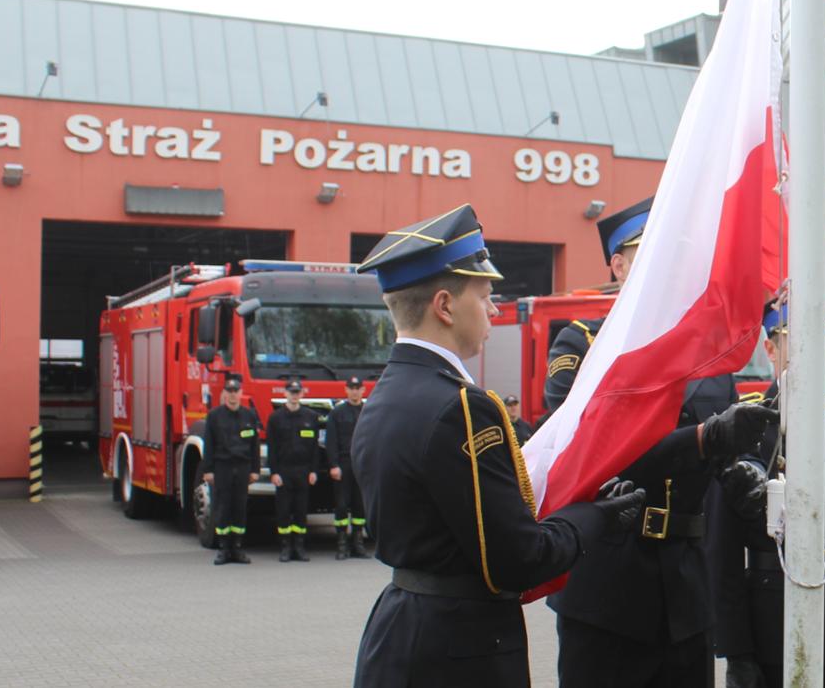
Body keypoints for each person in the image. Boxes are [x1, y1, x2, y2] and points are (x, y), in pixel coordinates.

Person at [350, 204, 676, 687]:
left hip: (401, 630)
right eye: (484, 297)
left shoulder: (385, 396)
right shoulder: (462, 406)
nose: (494, 309)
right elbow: (520, 559)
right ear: (444, 305)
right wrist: (596, 516)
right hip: (460, 646)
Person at [542, 197, 765, 688]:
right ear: (618, 266)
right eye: (647, 254)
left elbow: (723, 446)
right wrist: (705, 441)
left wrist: (746, 467)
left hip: (687, 586)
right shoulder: (583, 348)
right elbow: (589, 452)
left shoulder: (708, 352)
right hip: (608, 586)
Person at [711, 302, 825, 688]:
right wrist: (736, 652)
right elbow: (722, 551)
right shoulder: (744, 424)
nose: (817, 354)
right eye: (801, 344)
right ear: (771, 350)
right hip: (770, 622)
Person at [202, 375, 261, 566]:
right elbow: (208, 445)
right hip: (223, 467)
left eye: (236, 391)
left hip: (243, 468)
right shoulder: (214, 416)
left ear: (241, 393)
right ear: (224, 394)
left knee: (240, 508)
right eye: (229, 392)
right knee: (222, 507)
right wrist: (208, 470)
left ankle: (237, 549)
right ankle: (223, 549)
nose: (233, 395)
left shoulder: (249, 415)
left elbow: (254, 445)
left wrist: (255, 469)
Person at [267, 378, 322, 563]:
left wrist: (314, 471)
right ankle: (285, 547)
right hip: (283, 471)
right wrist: (273, 472)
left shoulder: (310, 417)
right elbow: (272, 447)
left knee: (300, 510)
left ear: (302, 394)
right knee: (283, 510)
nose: (294, 395)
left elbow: (315, 448)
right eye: (291, 392)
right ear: (285, 394)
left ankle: (299, 547)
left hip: (303, 470)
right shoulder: (276, 418)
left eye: (297, 392)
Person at [325, 376, 368, 560]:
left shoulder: (369, 411)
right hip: (343, 463)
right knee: (342, 505)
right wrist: (333, 465)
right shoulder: (337, 413)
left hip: (363, 464)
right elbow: (331, 441)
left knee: (360, 506)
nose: (355, 391)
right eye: (351, 388)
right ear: (346, 390)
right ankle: (342, 545)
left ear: (363, 390)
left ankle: (358, 544)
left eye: (358, 388)